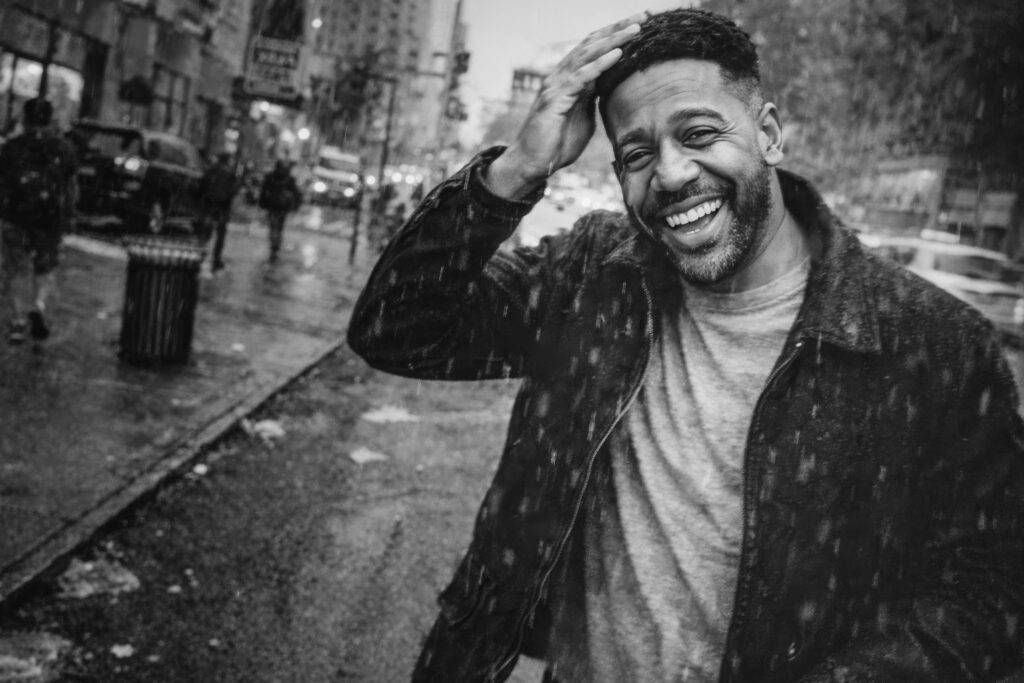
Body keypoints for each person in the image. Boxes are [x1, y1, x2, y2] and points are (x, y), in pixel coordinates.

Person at [348, 8, 1024, 682]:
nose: (671, 174)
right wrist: (519, 169)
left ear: (768, 133)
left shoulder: (934, 347)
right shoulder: (592, 275)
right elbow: (396, 327)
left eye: (698, 133)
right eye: (638, 154)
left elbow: (990, 589)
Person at [0, 97, 78, 345]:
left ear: (25, 118)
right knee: (45, 265)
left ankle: (17, 322)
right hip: (49, 219)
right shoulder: (63, 148)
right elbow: (71, 186)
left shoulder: (12, 147)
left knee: (16, 268)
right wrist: (70, 214)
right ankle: (38, 305)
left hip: (15, 216)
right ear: (50, 119)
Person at [197, 151, 240, 272]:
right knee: (220, 235)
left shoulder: (212, 170)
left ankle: (200, 255)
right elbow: (234, 189)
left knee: (205, 232)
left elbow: (202, 185)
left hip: (210, 205)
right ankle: (216, 259)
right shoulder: (230, 173)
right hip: (223, 207)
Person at [257, 159, 300, 264]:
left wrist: (262, 204)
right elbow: (296, 194)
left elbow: (264, 192)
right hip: (282, 207)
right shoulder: (289, 179)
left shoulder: (270, 177)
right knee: (279, 227)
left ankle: (274, 244)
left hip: (273, 206)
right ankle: (275, 244)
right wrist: (294, 206)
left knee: (273, 226)